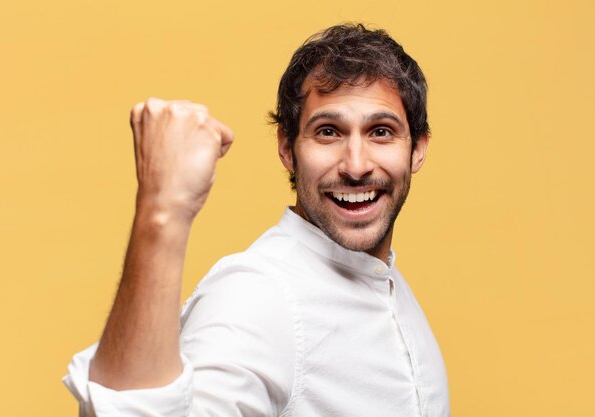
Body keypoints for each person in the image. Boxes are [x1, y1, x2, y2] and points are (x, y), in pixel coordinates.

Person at [64, 23, 450, 417]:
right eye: (328, 132)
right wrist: (161, 211)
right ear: (287, 147)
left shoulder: (388, 282)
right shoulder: (259, 294)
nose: (355, 166)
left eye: (381, 132)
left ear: (417, 148)